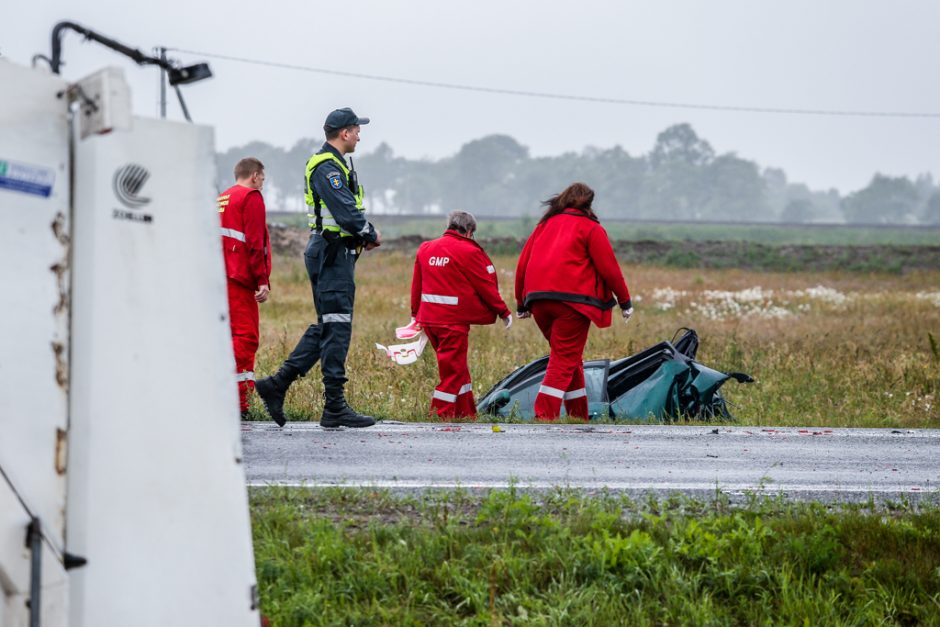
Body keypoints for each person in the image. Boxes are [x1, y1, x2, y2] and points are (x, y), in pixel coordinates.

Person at [255, 108, 381, 428]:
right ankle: (334, 406)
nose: (359, 135)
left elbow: (346, 209)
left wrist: (358, 235)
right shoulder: (327, 166)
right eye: (356, 130)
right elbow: (344, 210)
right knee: (336, 326)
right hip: (331, 253)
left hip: (334, 252)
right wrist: (367, 233)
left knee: (328, 325)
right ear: (343, 133)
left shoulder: (336, 163)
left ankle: (277, 384)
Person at [514, 182, 633, 421]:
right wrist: (625, 301)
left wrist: (520, 302)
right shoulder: (591, 228)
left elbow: (522, 264)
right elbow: (609, 268)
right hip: (574, 304)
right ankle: (544, 414)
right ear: (589, 203)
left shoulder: (544, 225)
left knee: (569, 357)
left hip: (538, 301)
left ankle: (578, 414)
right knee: (564, 359)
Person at [410, 211, 512, 419]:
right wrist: (503, 311)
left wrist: (414, 314)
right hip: (452, 323)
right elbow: (484, 285)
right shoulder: (468, 251)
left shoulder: (426, 248)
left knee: (457, 368)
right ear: (469, 231)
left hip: (429, 321)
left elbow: (416, 284)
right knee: (453, 373)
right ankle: (440, 414)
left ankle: (466, 414)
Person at [217, 157, 272, 418]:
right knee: (246, 337)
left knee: (226, 338)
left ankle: (220, 395)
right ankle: (240, 403)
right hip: (239, 278)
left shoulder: (223, 197)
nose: (263, 184)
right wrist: (262, 280)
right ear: (255, 175)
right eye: (262, 178)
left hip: (220, 276)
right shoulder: (251, 197)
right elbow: (255, 242)